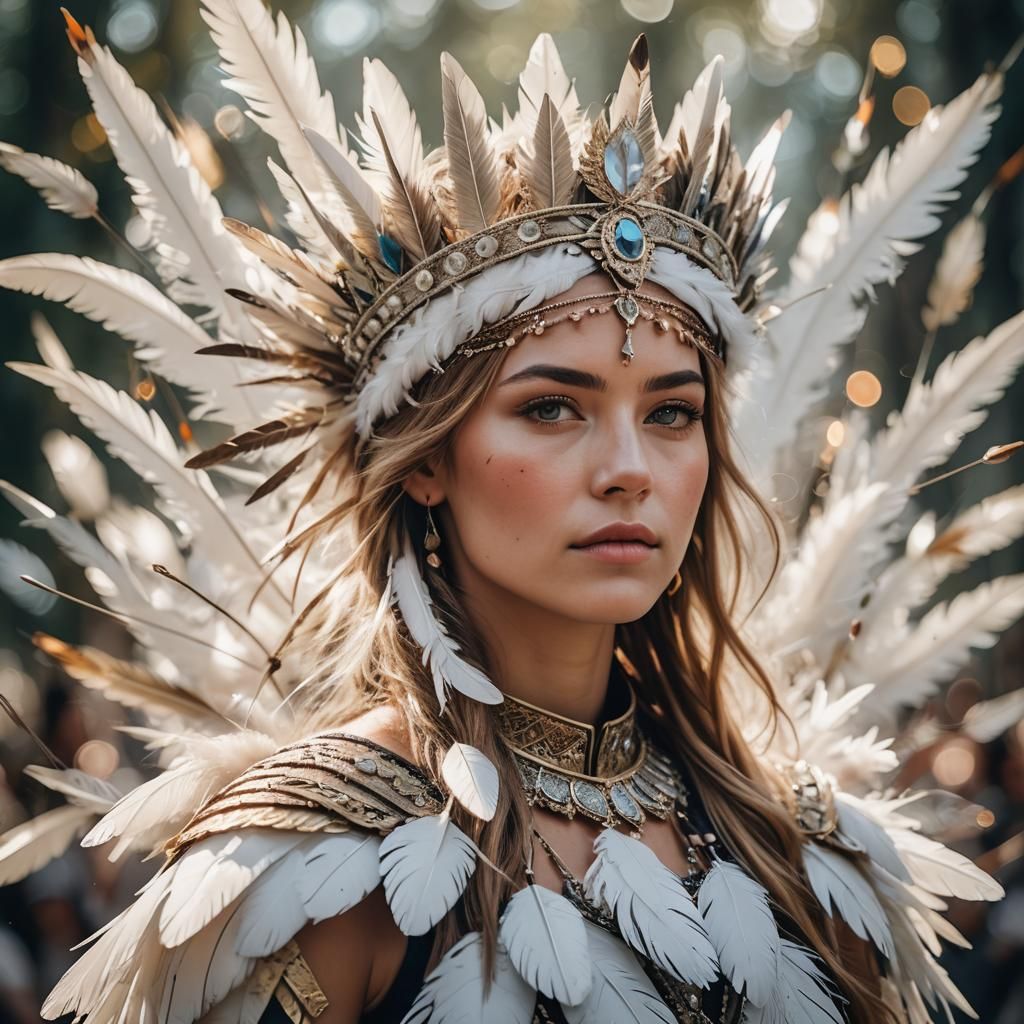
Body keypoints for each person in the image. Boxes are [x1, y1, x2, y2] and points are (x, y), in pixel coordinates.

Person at [0, 4, 1016, 1023]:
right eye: (550, 407)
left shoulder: (806, 853)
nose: (628, 469)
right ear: (426, 459)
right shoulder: (312, 868)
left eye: (672, 411)